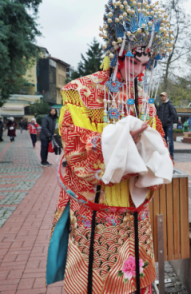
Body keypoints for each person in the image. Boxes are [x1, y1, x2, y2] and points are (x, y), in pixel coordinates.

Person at [46, 3, 174, 294]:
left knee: (133, 273)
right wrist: (118, 140)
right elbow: (75, 145)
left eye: (145, 64)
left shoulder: (144, 99)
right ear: (118, 52)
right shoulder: (81, 91)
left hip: (132, 205)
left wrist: (149, 151)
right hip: (95, 204)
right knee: (95, 276)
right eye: (134, 61)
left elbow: (160, 148)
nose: (139, 71)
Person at [157, 92, 176, 159]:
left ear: (166, 97)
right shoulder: (161, 105)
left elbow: (173, 115)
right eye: (161, 96)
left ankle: (171, 155)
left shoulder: (170, 105)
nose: (162, 97)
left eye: (163, 96)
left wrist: (168, 120)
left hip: (168, 125)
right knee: (163, 140)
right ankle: (165, 154)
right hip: (163, 125)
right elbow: (158, 114)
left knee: (170, 140)